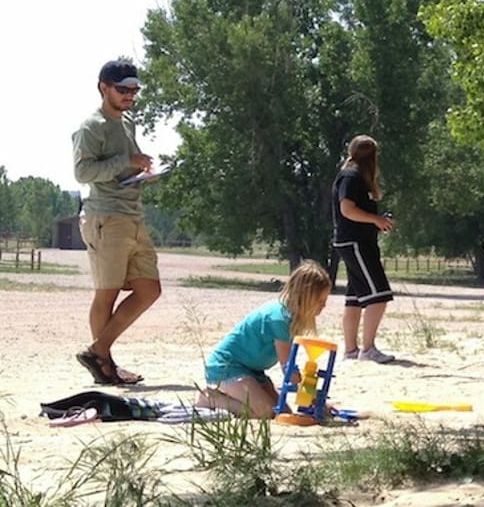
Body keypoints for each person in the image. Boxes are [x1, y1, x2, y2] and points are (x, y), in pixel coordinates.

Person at [72, 59, 162, 385]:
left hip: (132, 213)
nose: (130, 96)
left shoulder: (127, 125)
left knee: (150, 289)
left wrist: (142, 172)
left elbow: (124, 168)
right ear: (104, 88)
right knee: (106, 294)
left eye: (134, 90)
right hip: (105, 216)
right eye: (123, 89)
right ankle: (105, 366)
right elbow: (82, 173)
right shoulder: (91, 127)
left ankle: (98, 352)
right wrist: (127, 161)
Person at [195, 260, 332, 418]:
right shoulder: (279, 319)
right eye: (320, 301)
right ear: (304, 297)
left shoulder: (291, 317)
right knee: (265, 412)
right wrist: (313, 397)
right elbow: (288, 369)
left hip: (253, 371)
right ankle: (212, 399)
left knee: (283, 413)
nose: (324, 306)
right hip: (228, 367)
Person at [331, 134, 395, 363]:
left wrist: (377, 221)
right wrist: (375, 219)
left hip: (355, 241)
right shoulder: (352, 176)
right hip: (354, 242)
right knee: (379, 295)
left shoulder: (357, 177)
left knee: (356, 297)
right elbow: (347, 210)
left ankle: (351, 350)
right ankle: (368, 349)